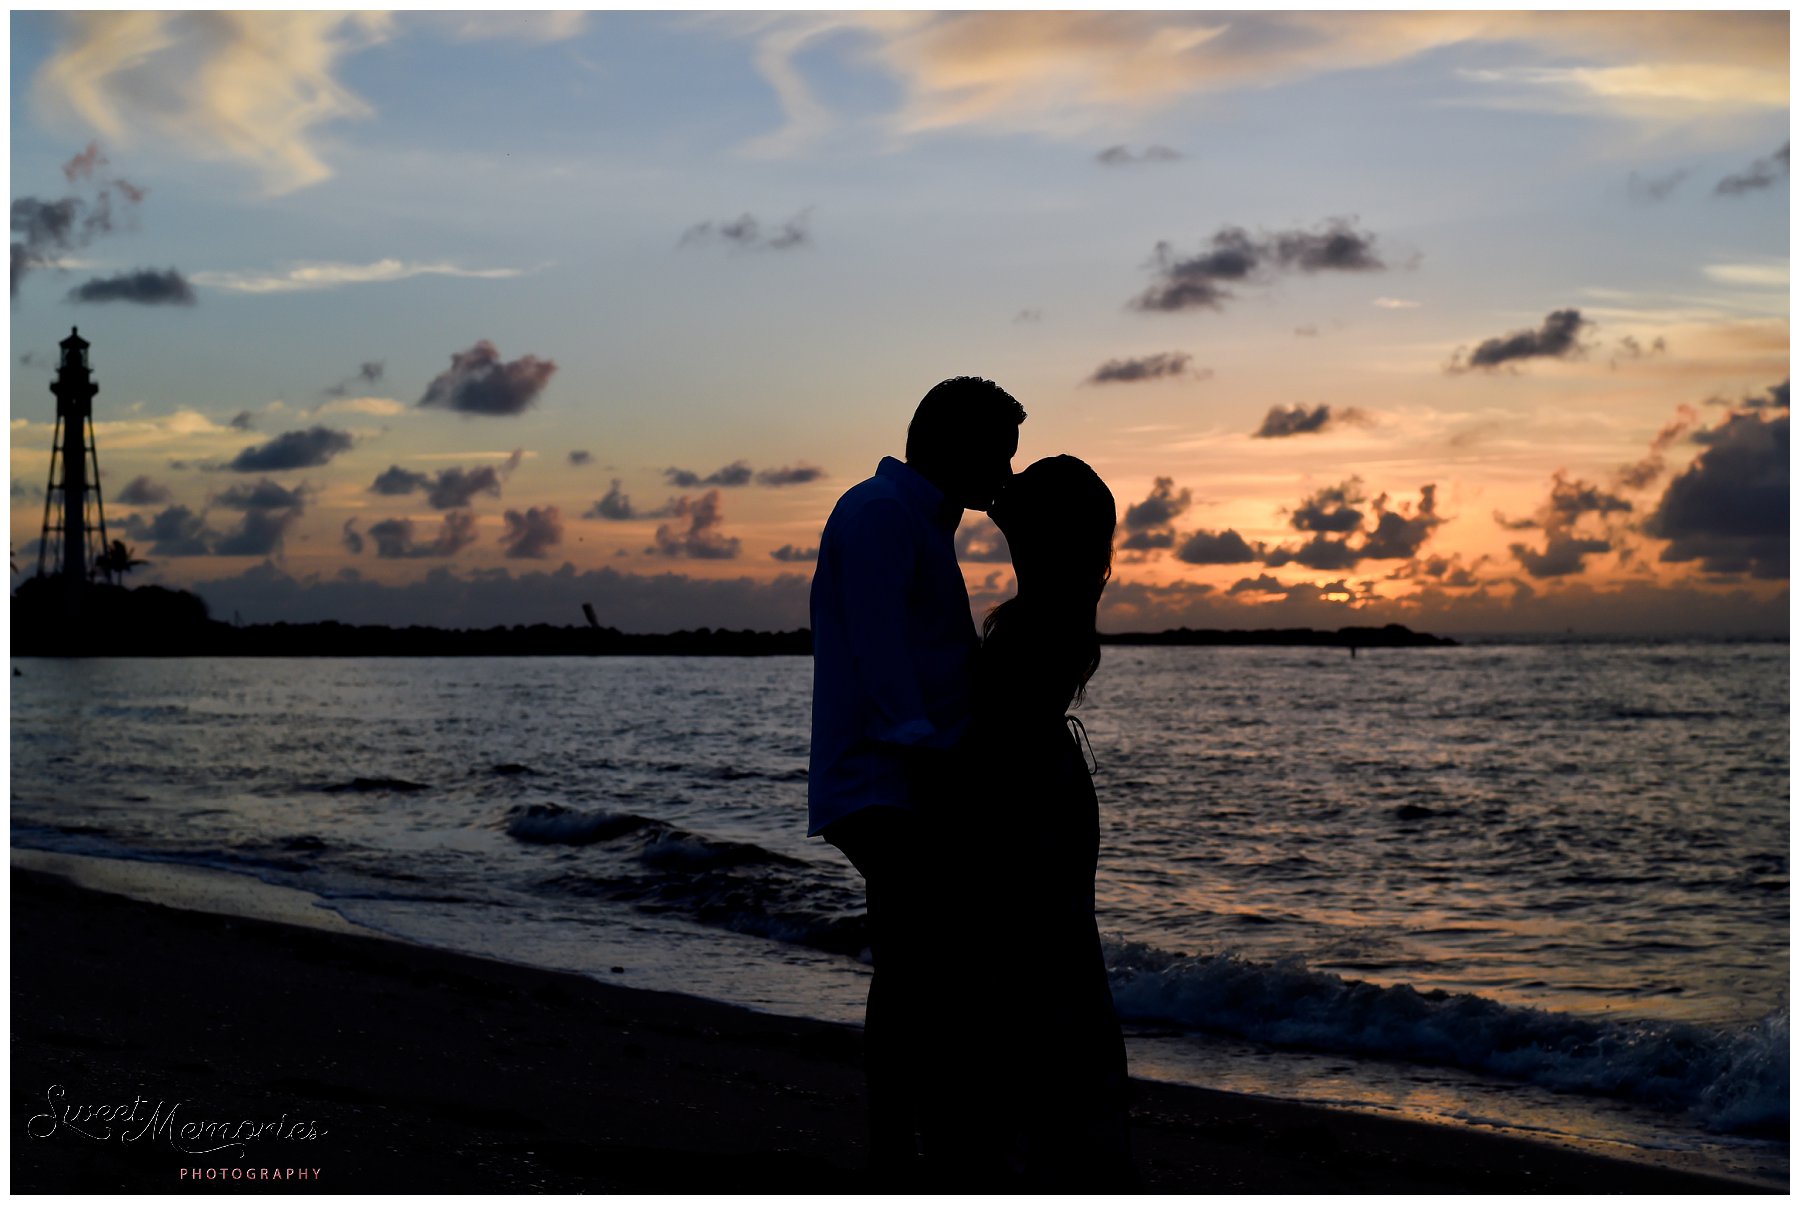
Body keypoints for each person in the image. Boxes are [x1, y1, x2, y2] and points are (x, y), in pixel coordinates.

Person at [806, 376, 1025, 1185]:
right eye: (997, 451)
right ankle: (907, 1152)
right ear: (956, 444)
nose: (1005, 469)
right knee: (920, 968)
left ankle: (912, 1144)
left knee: (916, 967)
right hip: (885, 781)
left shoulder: (916, 520)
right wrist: (933, 756)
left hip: (903, 777)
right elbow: (877, 651)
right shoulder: (880, 514)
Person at [947, 454, 1137, 1190]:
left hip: (1031, 790)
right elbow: (1044, 522)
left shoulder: (1038, 623)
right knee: (1062, 981)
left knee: (1040, 982)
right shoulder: (1065, 600)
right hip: (1048, 785)